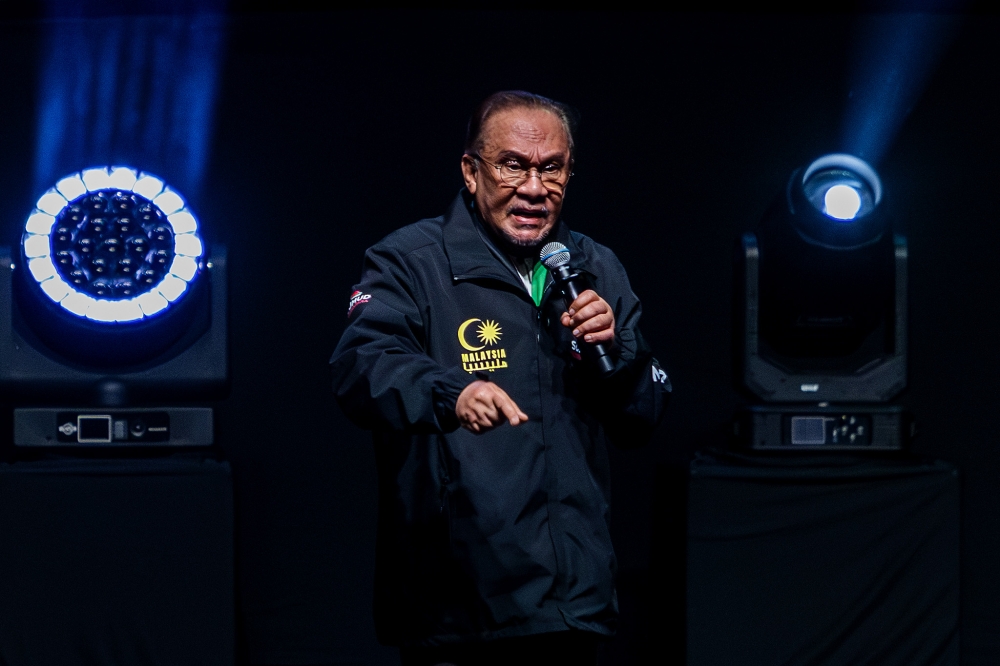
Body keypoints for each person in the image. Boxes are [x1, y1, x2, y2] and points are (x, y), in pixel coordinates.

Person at [329, 91, 670, 665]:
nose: (535, 189)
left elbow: (644, 416)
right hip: (459, 611)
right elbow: (362, 365)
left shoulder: (593, 265)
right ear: (471, 170)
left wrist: (620, 353)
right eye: (513, 164)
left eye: (552, 168)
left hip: (572, 606)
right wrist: (451, 393)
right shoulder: (412, 261)